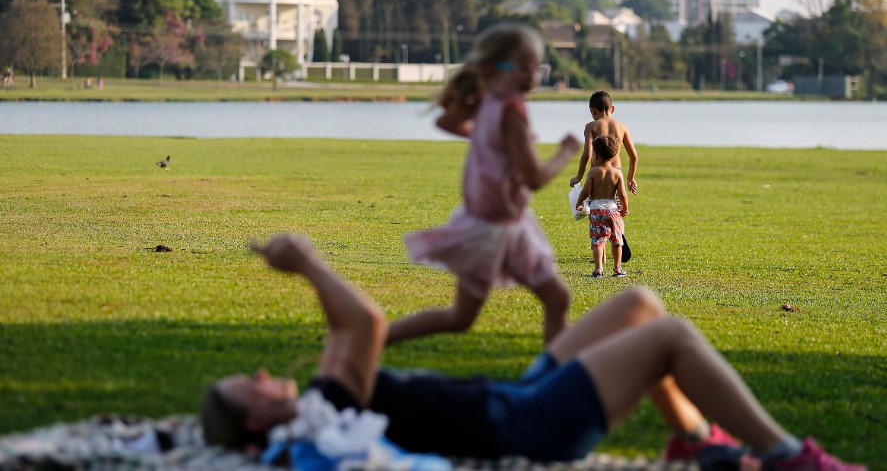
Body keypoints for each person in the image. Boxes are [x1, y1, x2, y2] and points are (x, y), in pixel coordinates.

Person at [202, 233, 866, 470]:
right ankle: (789, 457)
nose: (263, 375)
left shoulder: (326, 403)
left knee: (638, 303)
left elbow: (352, 331)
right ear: (257, 422)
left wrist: (321, 289)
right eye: (249, 385)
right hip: (530, 424)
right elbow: (365, 322)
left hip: (514, 397)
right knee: (669, 336)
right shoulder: (320, 412)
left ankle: (693, 438)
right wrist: (308, 263)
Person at [387, 23, 581, 345]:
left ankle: (554, 376)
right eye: (522, 67)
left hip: (510, 227)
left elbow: (446, 121)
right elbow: (534, 179)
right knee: (465, 317)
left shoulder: (490, 101)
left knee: (554, 299)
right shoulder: (510, 111)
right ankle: (376, 337)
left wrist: (489, 139)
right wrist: (565, 152)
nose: (531, 76)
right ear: (493, 70)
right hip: (490, 232)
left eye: (535, 68)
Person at [575, 135, 629, 278]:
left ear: (596, 156)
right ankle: (618, 268)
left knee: (598, 241)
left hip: (596, 212)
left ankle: (599, 268)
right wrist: (625, 207)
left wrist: (579, 202)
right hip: (613, 211)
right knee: (617, 240)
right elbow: (622, 194)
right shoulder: (617, 173)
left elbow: (586, 191)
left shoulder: (593, 172)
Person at [569, 90, 638, 196]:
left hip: (597, 172)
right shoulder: (622, 126)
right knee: (614, 208)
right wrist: (630, 178)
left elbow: (587, 153)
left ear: (592, 111)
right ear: (613, 109)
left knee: (596, 207)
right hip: (616, 172)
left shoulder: (591, 127)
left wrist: (578, 177)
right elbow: (634, 157)